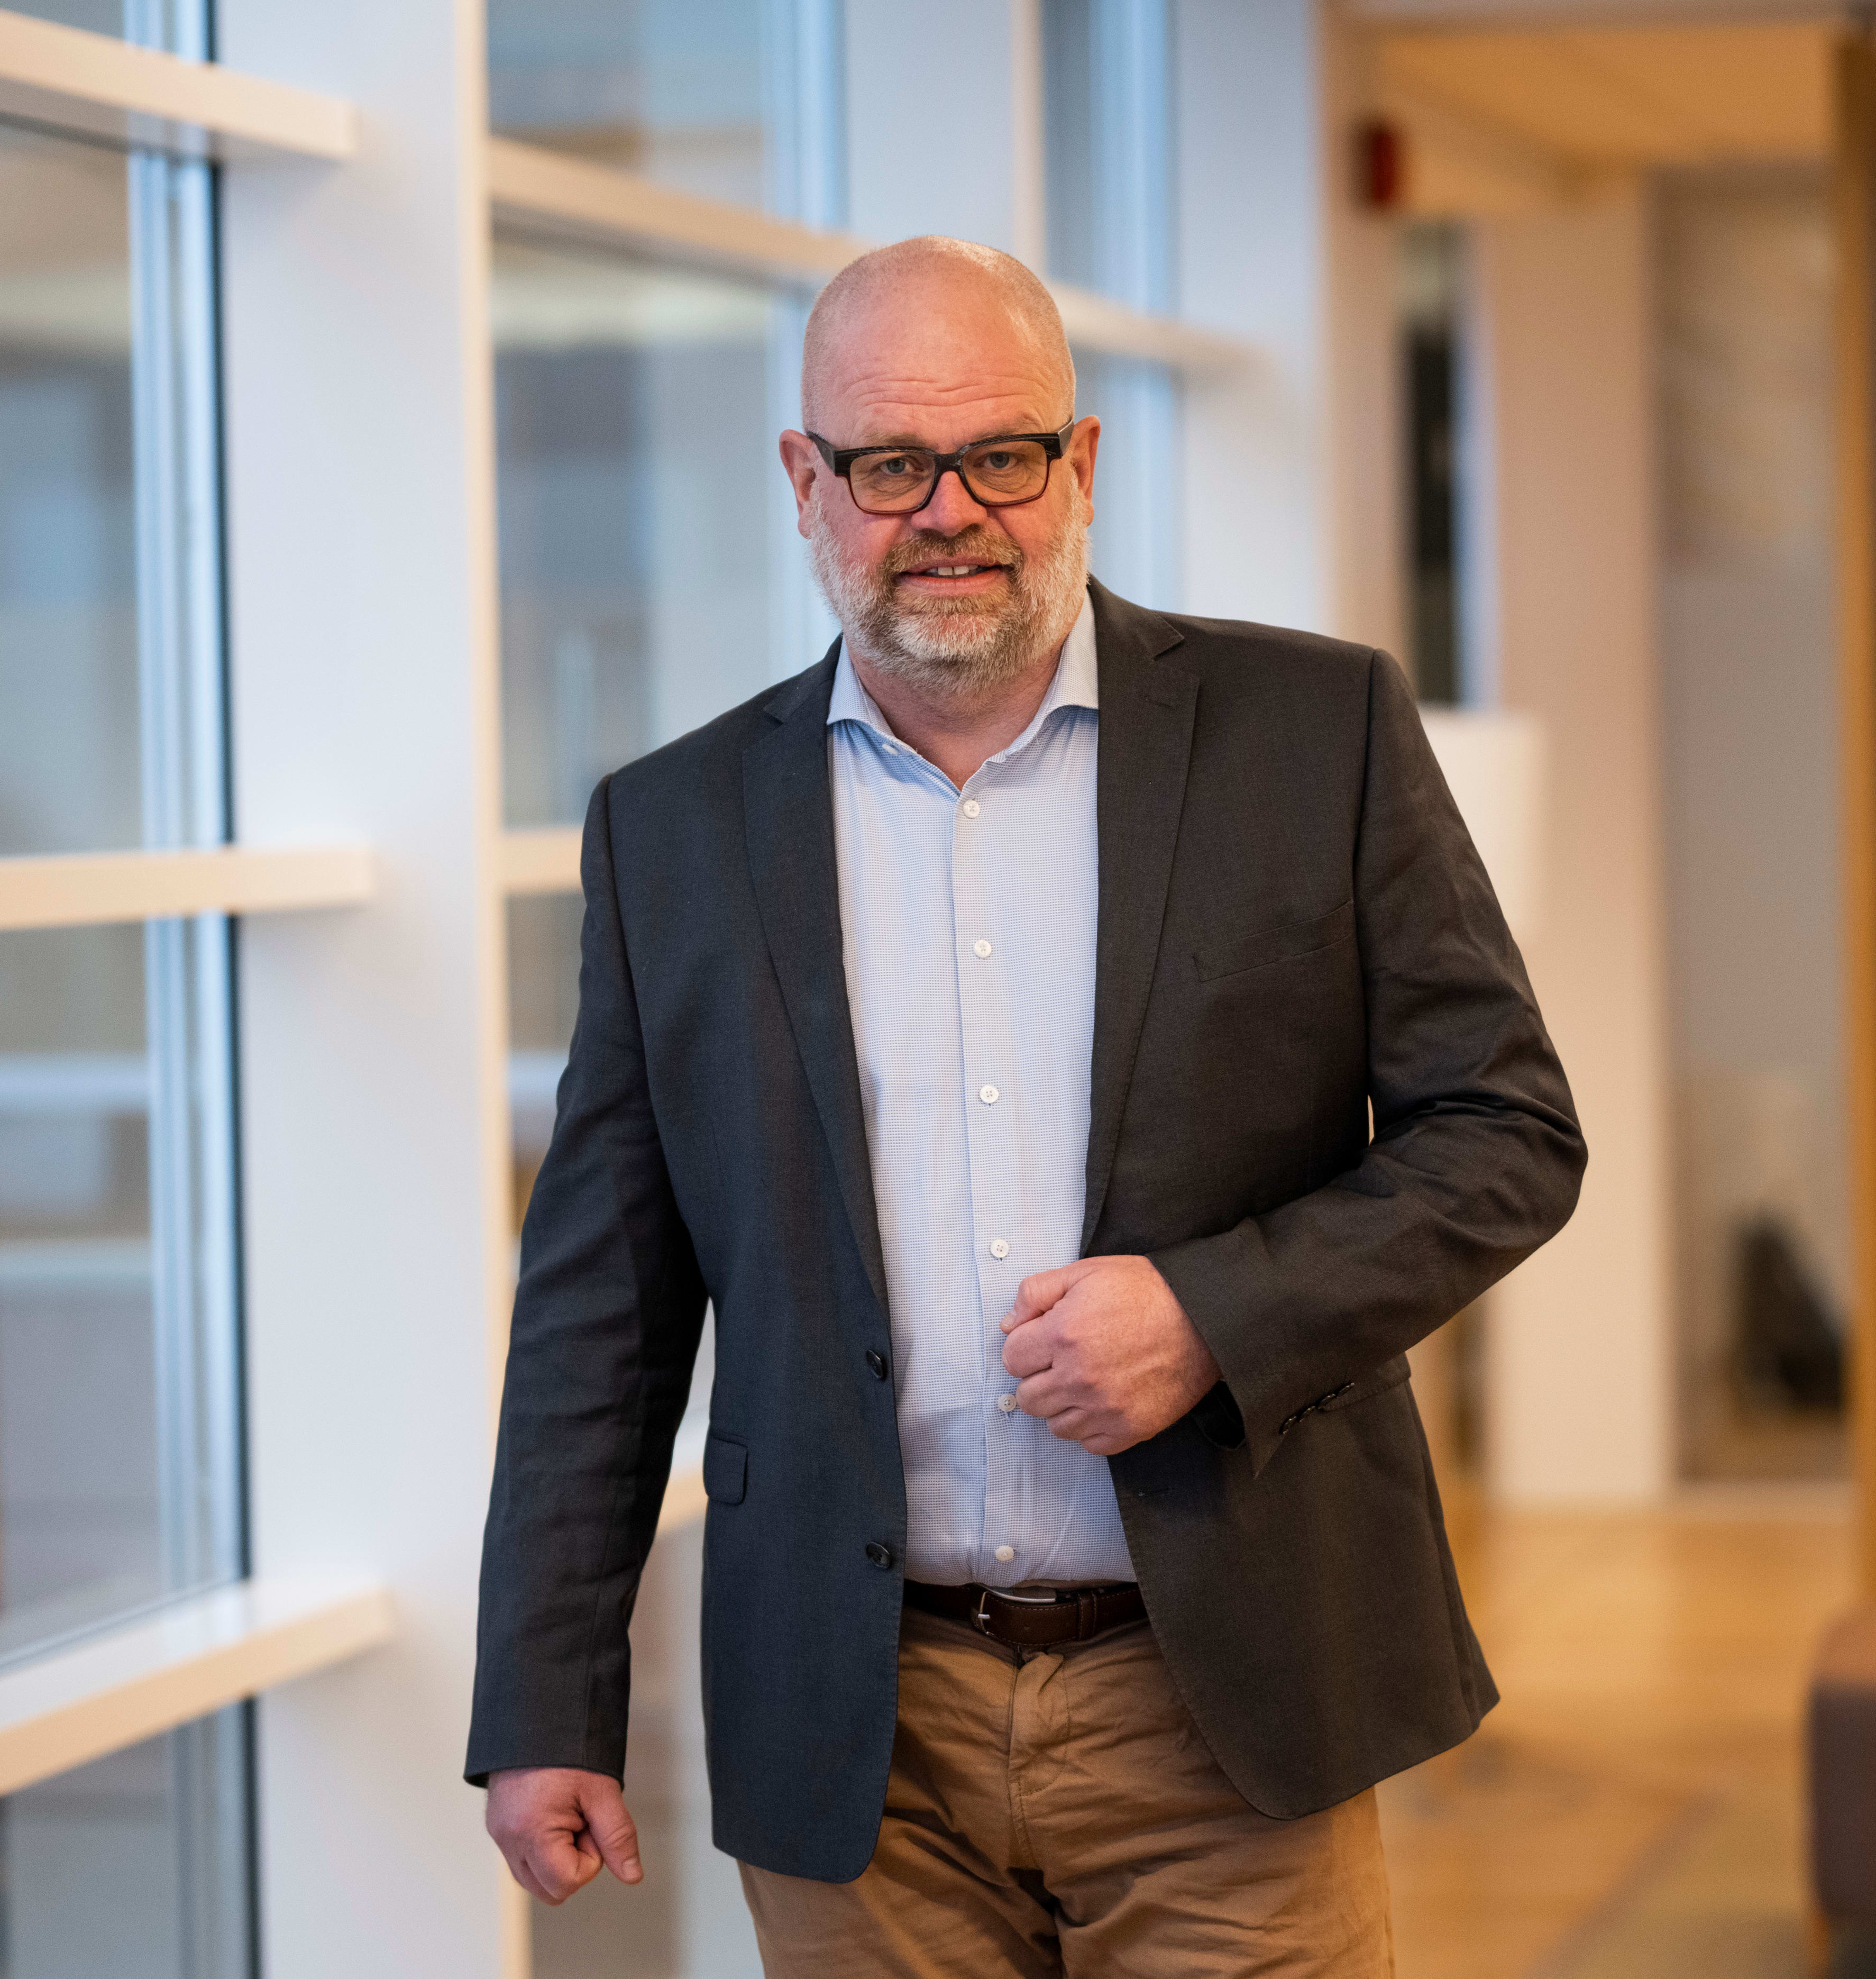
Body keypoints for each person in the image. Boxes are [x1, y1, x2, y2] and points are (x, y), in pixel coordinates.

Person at [467, 234, 1583, 1976]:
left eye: (1000, 454)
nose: (950, 513)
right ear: (805, 483)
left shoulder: (1316, 733)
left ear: (1080, 462)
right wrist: (548, 1692)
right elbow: (599, 1306)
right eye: (889, 467)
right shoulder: (671, 830)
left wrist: (1212, 1317)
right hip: (854, 1729)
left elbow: (1508, 1132)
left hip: (1221, 1702)